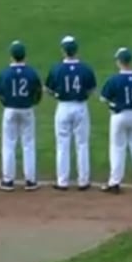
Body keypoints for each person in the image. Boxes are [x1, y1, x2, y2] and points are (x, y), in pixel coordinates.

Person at [47, 36, 97, 190]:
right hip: (81, 106)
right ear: (76, 50)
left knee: (62, 144)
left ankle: (62, 181)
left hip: (63, 107)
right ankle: (83, 181)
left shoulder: (57, 69)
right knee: (82, 144)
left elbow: (48, 89)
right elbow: (92, 90)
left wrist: (57, 95)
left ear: (63, 50)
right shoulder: (85, 69)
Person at [101, 47, 132, 194]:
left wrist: (113, 104)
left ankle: (115, 183)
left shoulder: (114, 79)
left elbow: (104, 98)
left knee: (117, 149)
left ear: (119, 61)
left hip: (119, 117)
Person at [0, 41, 43, 192]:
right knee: (28, 145)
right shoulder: (31, 72)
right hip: (27, 110)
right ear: (24, 56)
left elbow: (0, 93)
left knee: (9, 144)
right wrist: (32, 102)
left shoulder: (4, 73)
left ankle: (8, 180)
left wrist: (6, 103)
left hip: (10, 110)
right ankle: (30, 180)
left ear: (11, 56)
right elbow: (38, 92)